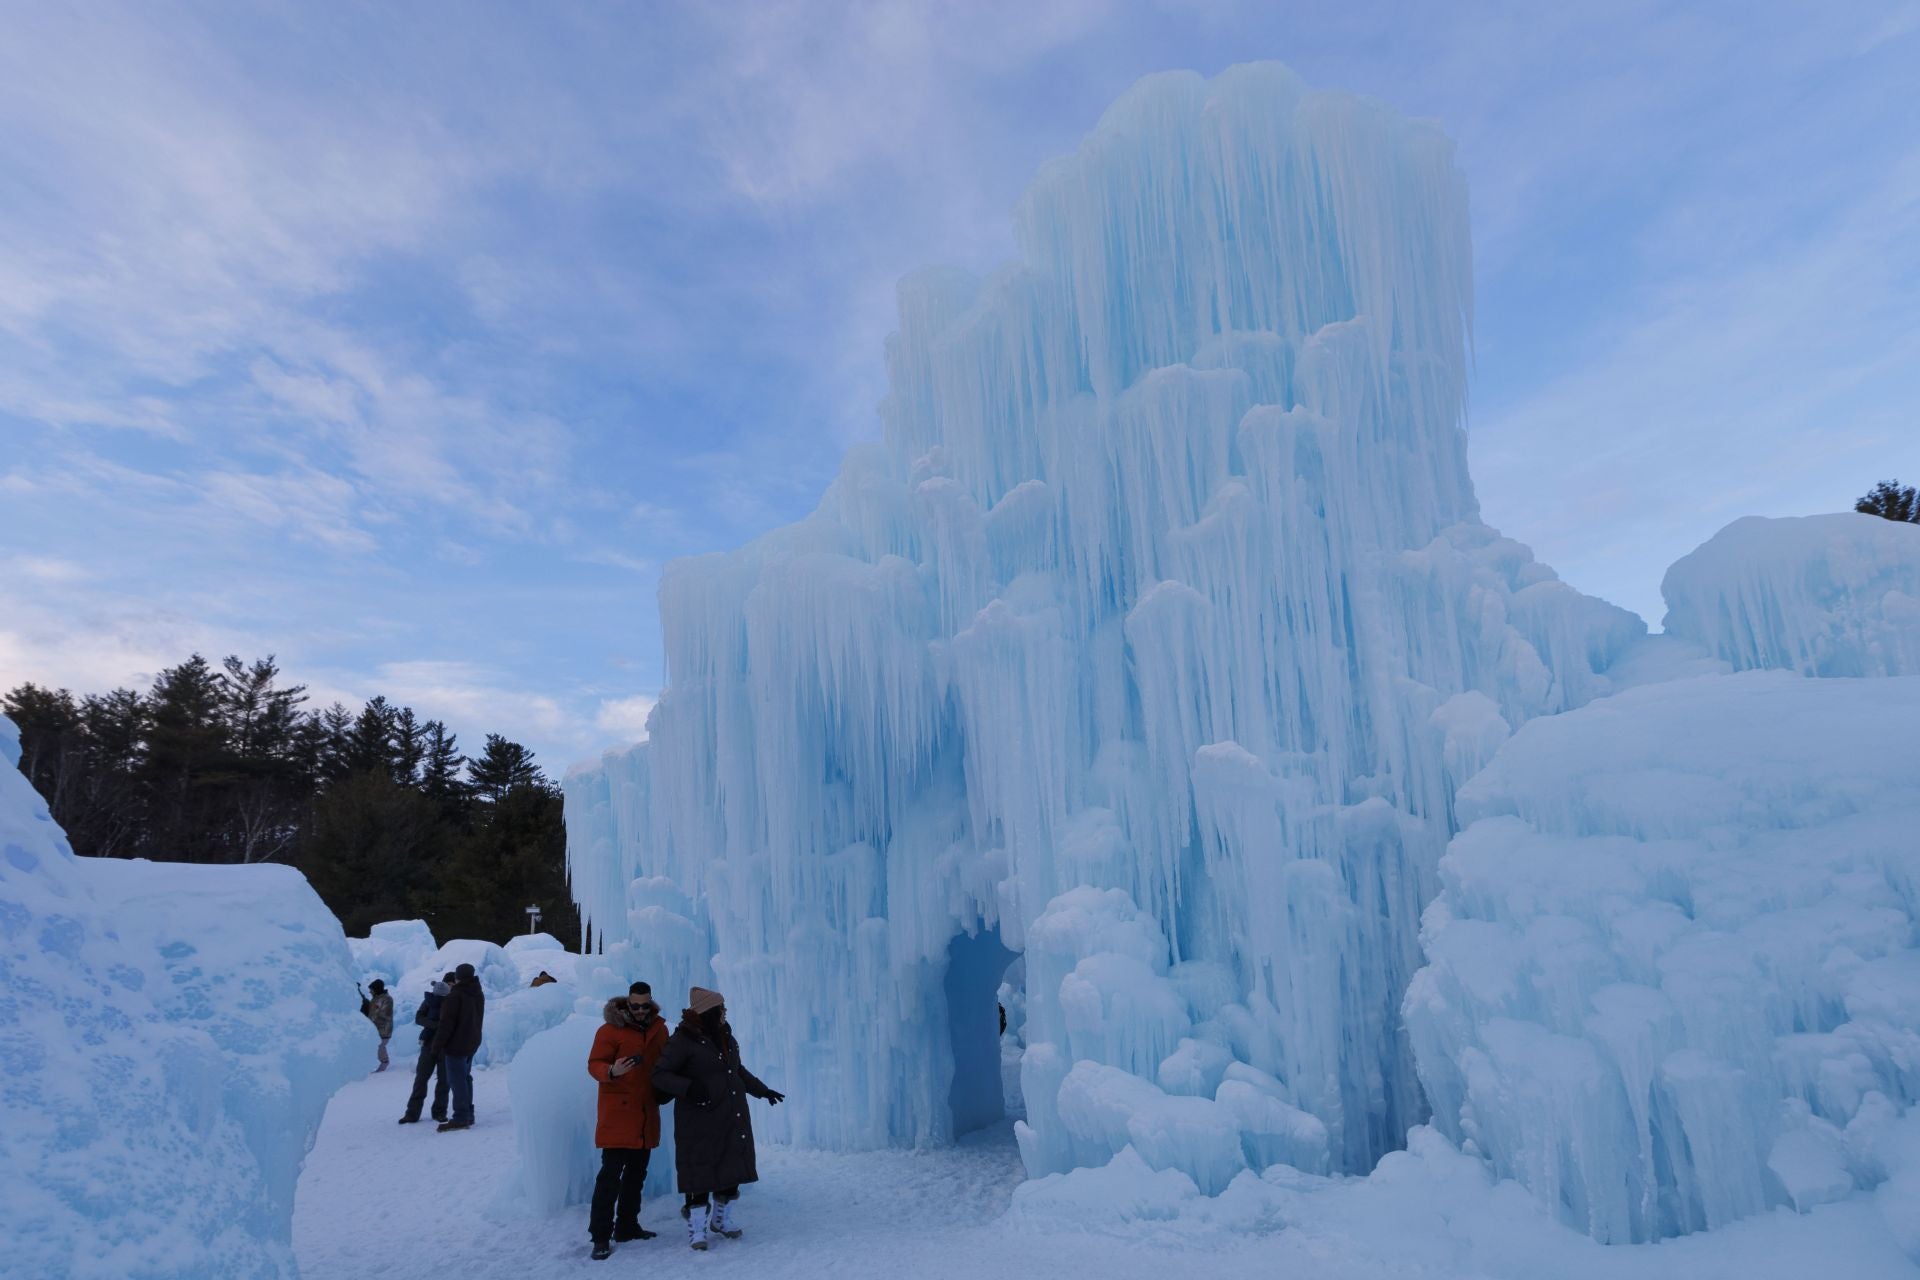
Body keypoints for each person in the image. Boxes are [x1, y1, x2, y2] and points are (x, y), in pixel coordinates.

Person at [650, 986, 784, 1251]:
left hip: (730, 1114)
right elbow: (660, 1074)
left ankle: (721, 1221)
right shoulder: (683, 1040)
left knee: (731, 1169)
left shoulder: (725, 1036)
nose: (725, 1012)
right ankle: (697, 1229)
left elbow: (736, 1070)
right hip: (699, 1119)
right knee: (700, 1172)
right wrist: (689, 1088)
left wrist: (762, 1090)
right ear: (710, 1011)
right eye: (721, 1009)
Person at [584, 982, 669, 1260]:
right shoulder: (609, 1030)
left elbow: (667, 1063)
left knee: (636, 1176)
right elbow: (594, 1064)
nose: (641, 1010)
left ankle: (627, 1226)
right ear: (626, 1003)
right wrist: (612, 1070)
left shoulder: (659, 1029)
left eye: (645, 1005)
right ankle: (600, 1236)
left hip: (645, 1113)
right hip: (618, 1115)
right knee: (609, 1178)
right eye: (636, 1006)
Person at [431, 962, 485, 1131]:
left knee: (457, 1080)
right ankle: (468, 1113)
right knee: (465, 1077)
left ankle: (461, 1117)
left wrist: (436, 1046)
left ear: (458, 977)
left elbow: (446, 1024)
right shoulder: (478, 993)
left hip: (456, 1045)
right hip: (472, 1042)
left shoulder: (455, 996)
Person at [398, 973, 455, 1125]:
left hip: (446, 1046)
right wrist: (436, 1025)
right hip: (429, 1045)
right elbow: (419, 1017)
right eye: (449, 983)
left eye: (453, 983)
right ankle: (412, 1113)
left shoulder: (455, 1001)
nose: (451, 986)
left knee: (444, 1081)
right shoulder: (430, 1001)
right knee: (421, 1079)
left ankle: (439, 1112)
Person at [363, 979, 394, 1071]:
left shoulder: (385, 999)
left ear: (376, 989)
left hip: (383, 1028)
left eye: (371, 989)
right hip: (377, 1028)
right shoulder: (377, 998)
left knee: (380, 1046)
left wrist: (368, 1019)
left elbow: (376, 1013)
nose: (370, 991)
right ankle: (381, 1062)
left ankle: (384, 1062)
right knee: (378, 1046)